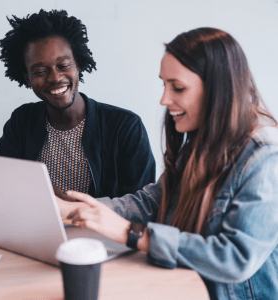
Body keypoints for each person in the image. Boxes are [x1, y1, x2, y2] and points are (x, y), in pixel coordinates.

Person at [57, 27, 278, 300]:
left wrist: (133, 234)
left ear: (218, 88)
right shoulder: (200, 142)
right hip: (180, 286)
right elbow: (153, 201)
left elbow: (235, 258)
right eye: (164, 84)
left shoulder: (265, 157)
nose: (164, 99)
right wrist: (74, 210)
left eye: (178, 87)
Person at [0, 9, 156, 200]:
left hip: (99, 230)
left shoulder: (125, 126)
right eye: (40, 71)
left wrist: (75, 208)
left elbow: (142, 205)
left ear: (78, 66)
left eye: (63, 66)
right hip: (34, 228)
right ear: (27, 78)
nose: (55, 78)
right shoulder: (22, 120)